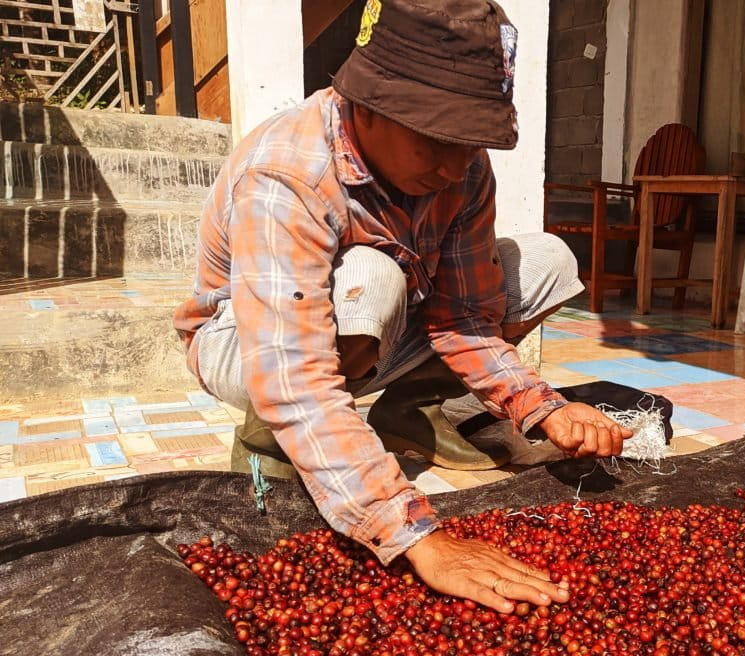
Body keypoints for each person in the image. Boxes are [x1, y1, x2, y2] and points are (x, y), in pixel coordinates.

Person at [173, 0, 630, 614]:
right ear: (367, 104)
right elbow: (294, 375)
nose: (454, 165)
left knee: (547, 258)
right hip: (249, 343)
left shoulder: (462, 170)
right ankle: (275, 443)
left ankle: (415, 415)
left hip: (369, 322)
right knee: (372, 275)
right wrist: (419, 535)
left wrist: (539, 406)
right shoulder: (286, 176)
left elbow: (464, 317)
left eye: (470, 143)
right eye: (436, 140)